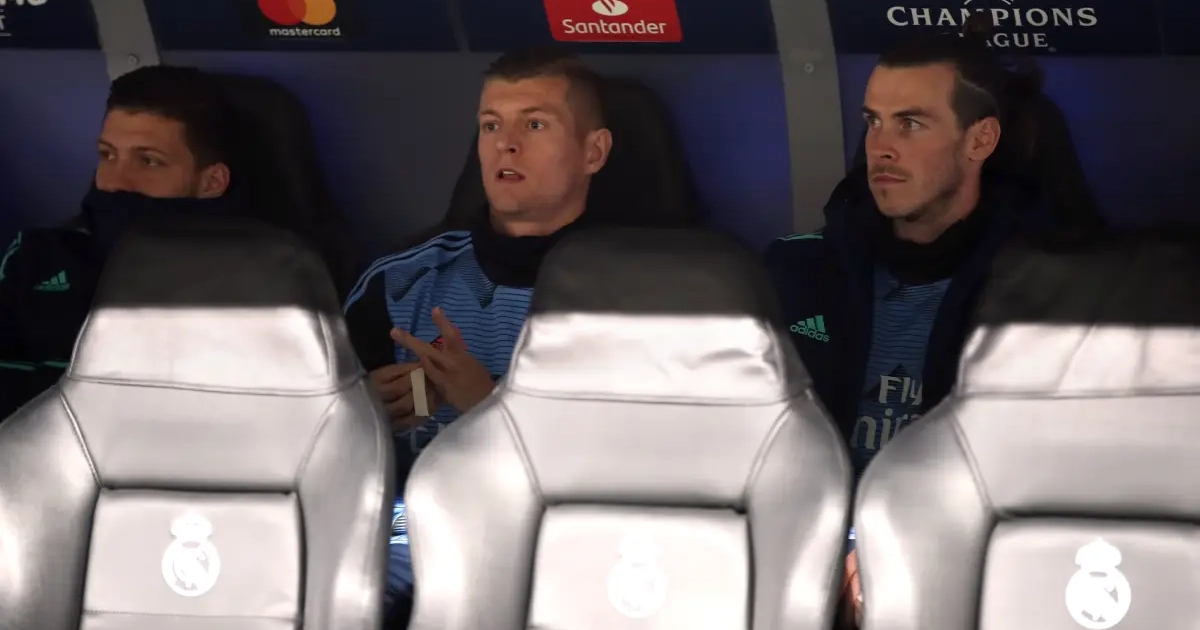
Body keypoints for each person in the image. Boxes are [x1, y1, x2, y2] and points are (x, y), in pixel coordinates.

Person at [763, 34, 1093, 626]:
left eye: (910, 124)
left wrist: (903, 552)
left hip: (968, 571)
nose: (880, 148)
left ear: (980, 140)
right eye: (873, 122)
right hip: (804, 566)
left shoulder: (1045, 289)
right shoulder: (796, 270)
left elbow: (1054, 474)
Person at [341, 48, 613, 626]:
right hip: (412, 538)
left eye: (534, 125)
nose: (505, 145)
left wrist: (490, 409)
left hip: (571, 547)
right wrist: (360, 416)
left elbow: (650, 465)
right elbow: (315, 445)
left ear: (593, 152)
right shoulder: (400, 280)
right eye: (491, 126)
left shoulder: (642, 292)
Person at [0, 65, 360, 420]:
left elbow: (256, 408)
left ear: (211, 182)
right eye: (107, 155)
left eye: (149, 161)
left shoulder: (271, 275)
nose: (114, 181)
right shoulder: (39, 254)